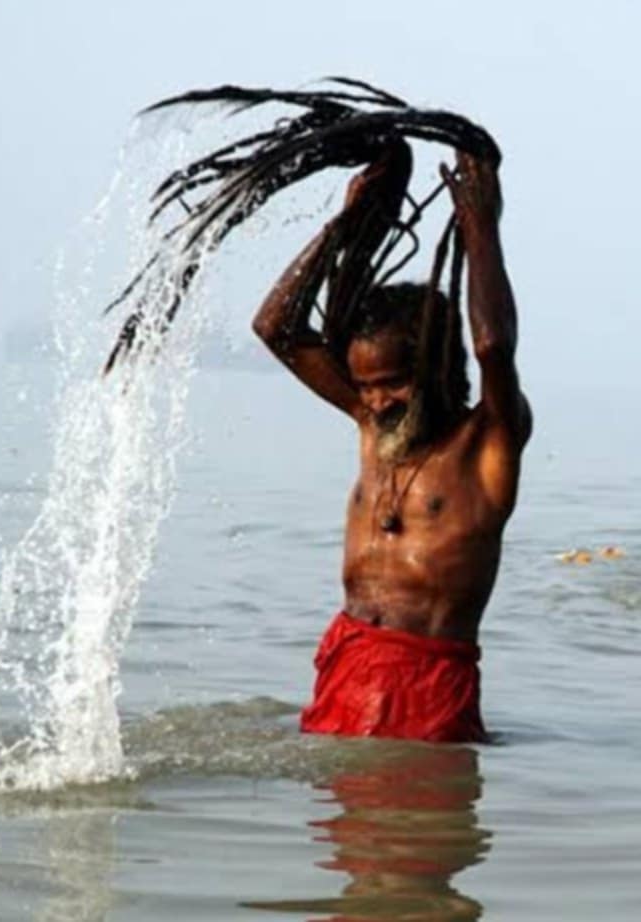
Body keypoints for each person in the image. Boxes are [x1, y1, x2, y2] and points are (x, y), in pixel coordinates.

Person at [252, 148, 531, 742]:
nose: (378, 401)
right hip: (346, 666)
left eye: (394, 383)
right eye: (368, 386)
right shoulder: (371, 427)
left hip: (427, 685)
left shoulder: (486, 442)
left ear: (434, 366)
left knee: (418, 832)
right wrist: (350, 222)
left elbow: (491, 347)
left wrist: (481, 224)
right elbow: (274, 327)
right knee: (345, 832)